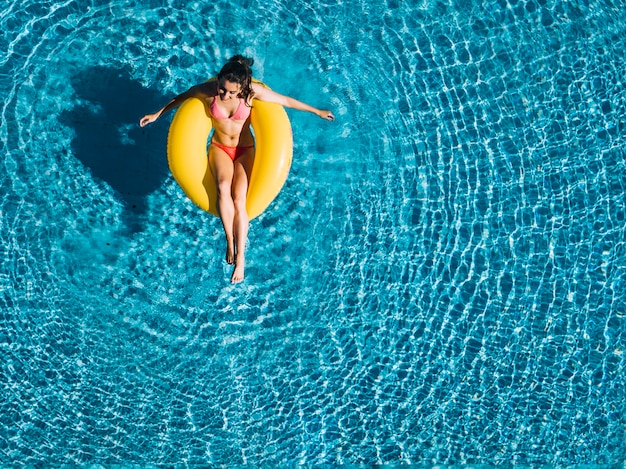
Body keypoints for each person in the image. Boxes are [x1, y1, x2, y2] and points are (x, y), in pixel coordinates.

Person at [140, 55, 334, 284]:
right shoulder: (209, 89)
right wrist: (157, 114)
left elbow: (286, 100)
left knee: (239, 198)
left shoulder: (253, 93)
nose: (224, 95)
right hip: (220, 148)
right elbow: (182, 97)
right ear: (219, 81)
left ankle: (241, 258)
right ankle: (229, 240)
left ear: (242, 88)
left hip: (244, 149)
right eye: (222, 89)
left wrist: (317, 111)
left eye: (231, 93)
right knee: (223, 187)